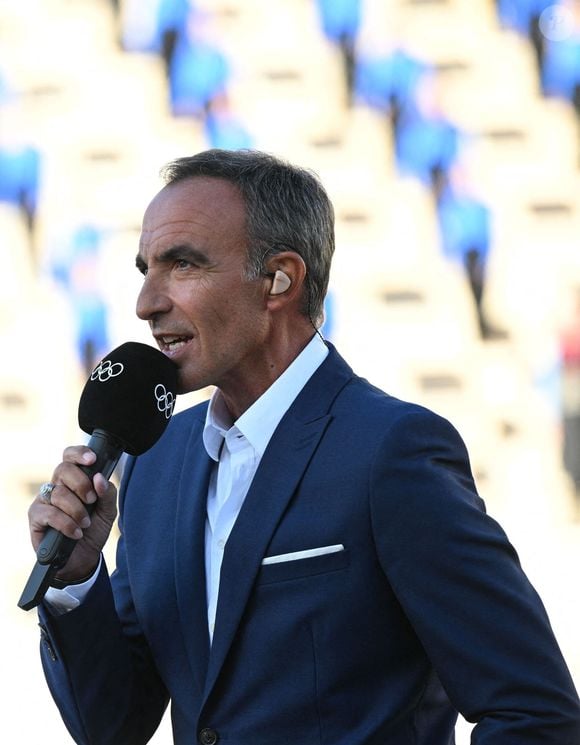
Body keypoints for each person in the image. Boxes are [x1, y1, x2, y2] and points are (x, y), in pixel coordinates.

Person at [28, 149, 580, 745]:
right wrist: (76, 583)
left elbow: (535, 713)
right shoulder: (155, 461)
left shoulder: (392, 451)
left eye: (182, 265)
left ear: (279, 279)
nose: (146, 303)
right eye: (145, 270)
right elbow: (116, 725)